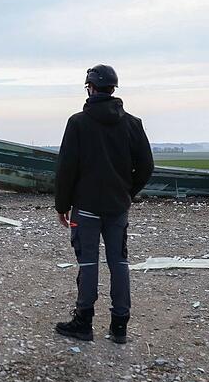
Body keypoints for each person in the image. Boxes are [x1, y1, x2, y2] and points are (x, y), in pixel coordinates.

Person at [53, 65, 154, 343]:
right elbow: (146, 166)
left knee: (88, 263)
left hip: (85, 208)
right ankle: (119, 326)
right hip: (117, 206)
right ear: (113, 89)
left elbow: (66, 168)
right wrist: (127, 193)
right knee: (119, 262)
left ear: (91, 88)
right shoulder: (133, 124)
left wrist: (62, 204)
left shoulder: (78, 123)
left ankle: (83, 322)